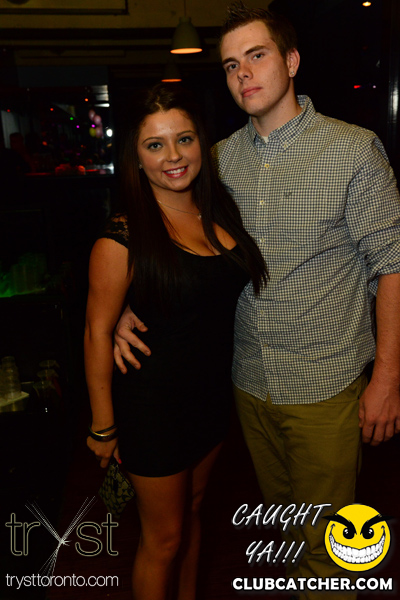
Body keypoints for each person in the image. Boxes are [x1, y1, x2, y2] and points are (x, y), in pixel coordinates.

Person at [113, 4, 400, 598]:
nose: (243, 73)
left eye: (257, 55)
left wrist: (388, 380)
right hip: (245, 384)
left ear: (291, 61)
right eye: (230, 64)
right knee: (290, 534)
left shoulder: (354, 151)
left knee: (330, 550)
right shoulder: (215, 159)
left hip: (324, 384)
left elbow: (392, 266)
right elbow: (164, 237)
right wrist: (123, 305)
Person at [84, 82, 266, 600]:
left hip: (210, 401)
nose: (173, 156)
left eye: (183, 139)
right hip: (153, 408)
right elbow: (97, 331)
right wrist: (103, 427)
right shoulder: (123, 236)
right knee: (162, 540)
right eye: (155, 144)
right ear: (136, 158)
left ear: (200, 144)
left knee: (192, 515)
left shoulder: (218, 213)